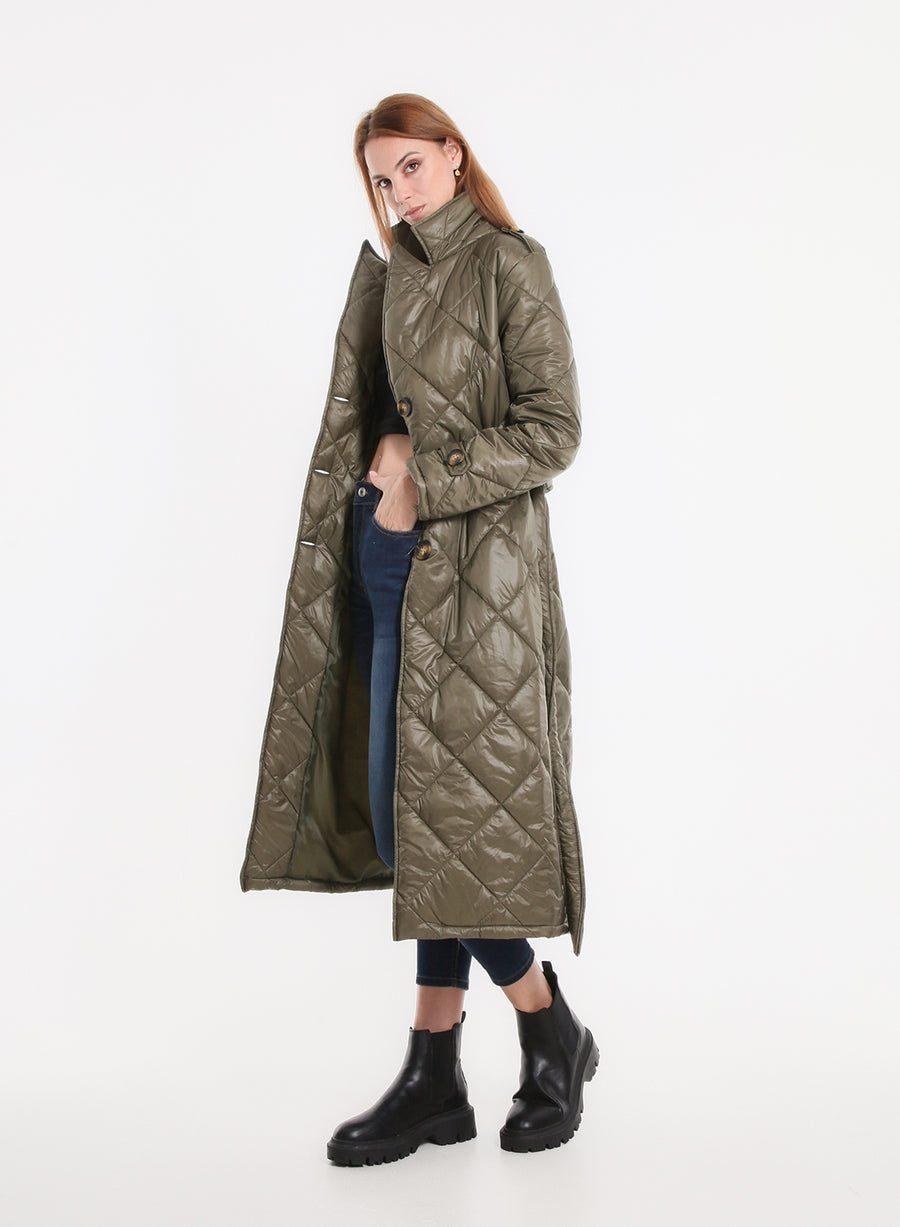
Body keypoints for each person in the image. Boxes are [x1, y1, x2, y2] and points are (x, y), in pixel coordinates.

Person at [239, 93, 597, 1164]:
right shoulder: (398, 272)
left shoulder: (509, 265)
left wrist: (421, 479)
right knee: (420, 825)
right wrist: (382, 463)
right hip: (386, 560)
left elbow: (555, 429)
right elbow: (391, 409)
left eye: (410, 165)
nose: (399, 190)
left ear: (452, 153)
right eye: (381, 177)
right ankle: (435, 1075)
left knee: (425, 832)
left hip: (477, 583)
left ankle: (549, 1026)